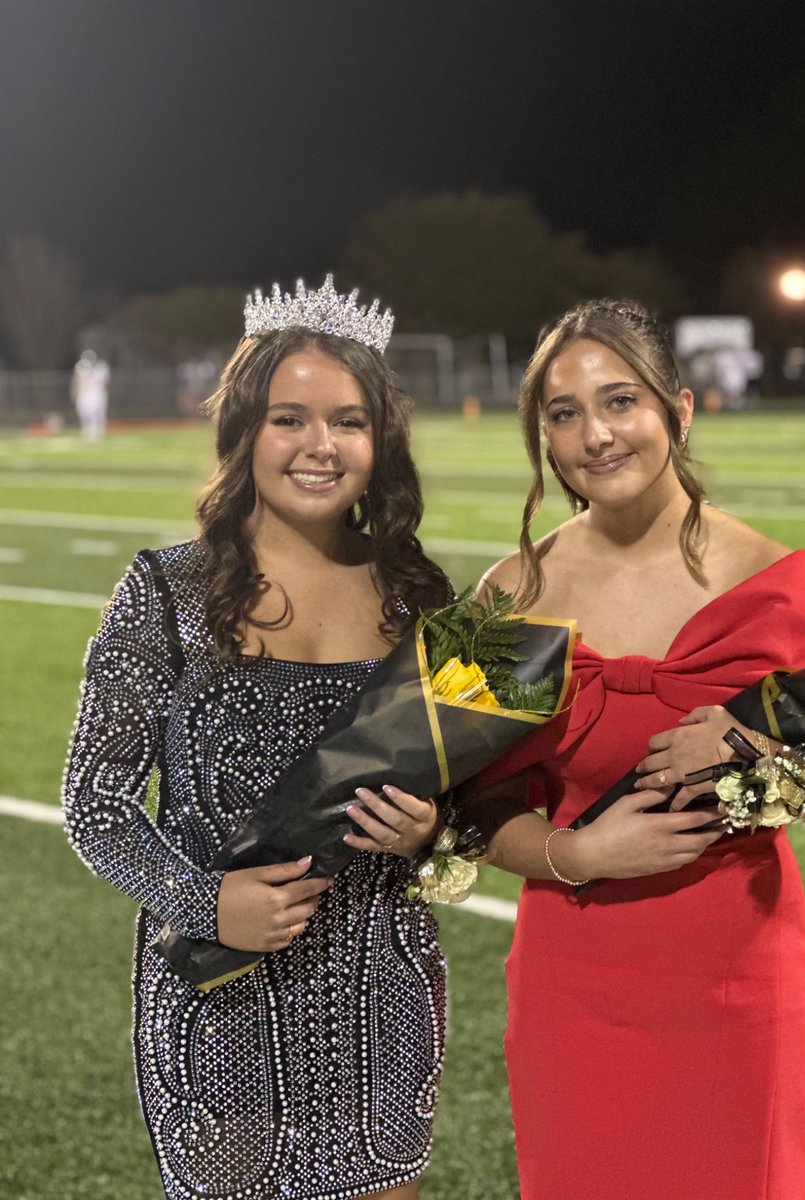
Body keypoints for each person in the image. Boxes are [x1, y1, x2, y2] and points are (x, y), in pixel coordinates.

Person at [463, 299, 805, 1200]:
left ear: (681, 410)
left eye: (621, 401)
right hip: (568, 986)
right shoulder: (505, 594)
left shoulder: (788, 585)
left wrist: (760, 756)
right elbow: (470, 806)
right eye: (564, 412)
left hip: (737, 987)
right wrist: (574, 851)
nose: (596, 434)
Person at [63, 276, 452, 1200]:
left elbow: (465, 801)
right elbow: (94, 803)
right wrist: (203, 901)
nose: (322, 446)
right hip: (221, 1002)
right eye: (291, 419)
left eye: (349, 421)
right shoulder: (166, 592)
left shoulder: (419, 601)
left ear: (379, 441)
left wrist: (432, 833)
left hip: (383, 993)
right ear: (244, 431)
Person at [71, 348, 110, 439]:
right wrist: (75, 393)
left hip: (97, 394)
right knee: (84, 413)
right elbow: (77, 382)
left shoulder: (101, 368)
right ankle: (87, 430)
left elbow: (105, 383)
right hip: (85, 394)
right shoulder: (80, 368)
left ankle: (98, 432)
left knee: (98, 413)